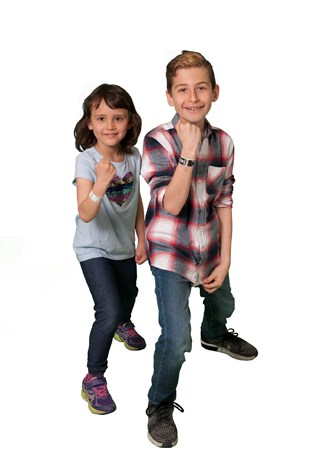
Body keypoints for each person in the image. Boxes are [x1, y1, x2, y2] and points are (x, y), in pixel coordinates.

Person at [141, 50, 258, 447]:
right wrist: (188, 156)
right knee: (176, 339)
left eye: (201, 87)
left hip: (209, 248)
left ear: (215, 92)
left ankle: (216, 333)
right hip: (171, 255)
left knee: (223, 302)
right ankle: (160, 403)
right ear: (170, 96)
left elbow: (224, 201)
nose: (193, 97)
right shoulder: (159, 140)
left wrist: (225, 258)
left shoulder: (224, 142)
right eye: (182, 90)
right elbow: (170, 204)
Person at [73, 83, 148, 415]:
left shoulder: (133, 156)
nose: (110, 125)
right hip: (93, 248)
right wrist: (102, 182)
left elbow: (136, 201)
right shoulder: (86, 161)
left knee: (128, 294)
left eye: (118, 118)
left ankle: (124, 322)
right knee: (107, 309)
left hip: (123, 246)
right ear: (90, 122)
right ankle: (94, 377)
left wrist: (142, 237)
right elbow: (85, 213)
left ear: (129, 121)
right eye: (101, 118)